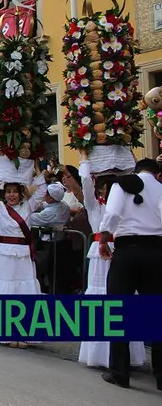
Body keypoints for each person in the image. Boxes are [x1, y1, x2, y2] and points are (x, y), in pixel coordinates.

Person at [75, 151, 145, 369]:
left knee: (123, 300)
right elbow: (85, 181)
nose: (110, 190)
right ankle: (100, 355)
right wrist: (84, 159)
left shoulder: (127, 201)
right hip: (100, 250)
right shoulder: (94, 205)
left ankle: (126, 356)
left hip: (120, 249)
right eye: (106, 186)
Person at [97, 158, 162, 391]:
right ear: (157, 174)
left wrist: (104, 239)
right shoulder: (161, 188)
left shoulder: (121, 184)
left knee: (118, 309)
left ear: (136, 171)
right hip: (156, 251)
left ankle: (120, 372)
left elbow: (112, 214)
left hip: (127, 250)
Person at [0, 168, 47, 348]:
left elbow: (41, 190)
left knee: (24, 290)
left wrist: (35, 169)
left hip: (24, 254)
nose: (12, 195)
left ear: (21, 193)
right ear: (4, 194)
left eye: (15, 191)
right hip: (6, 255)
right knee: (6, 290)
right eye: (8, 192)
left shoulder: (29, 206)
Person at [30, 183, 71, 293]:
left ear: (52, 198)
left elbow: (31, 218)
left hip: (50, 245)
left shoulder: (50, 213)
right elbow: (45, 205)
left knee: (49, 272)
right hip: (61, 243)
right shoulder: (64, 206)